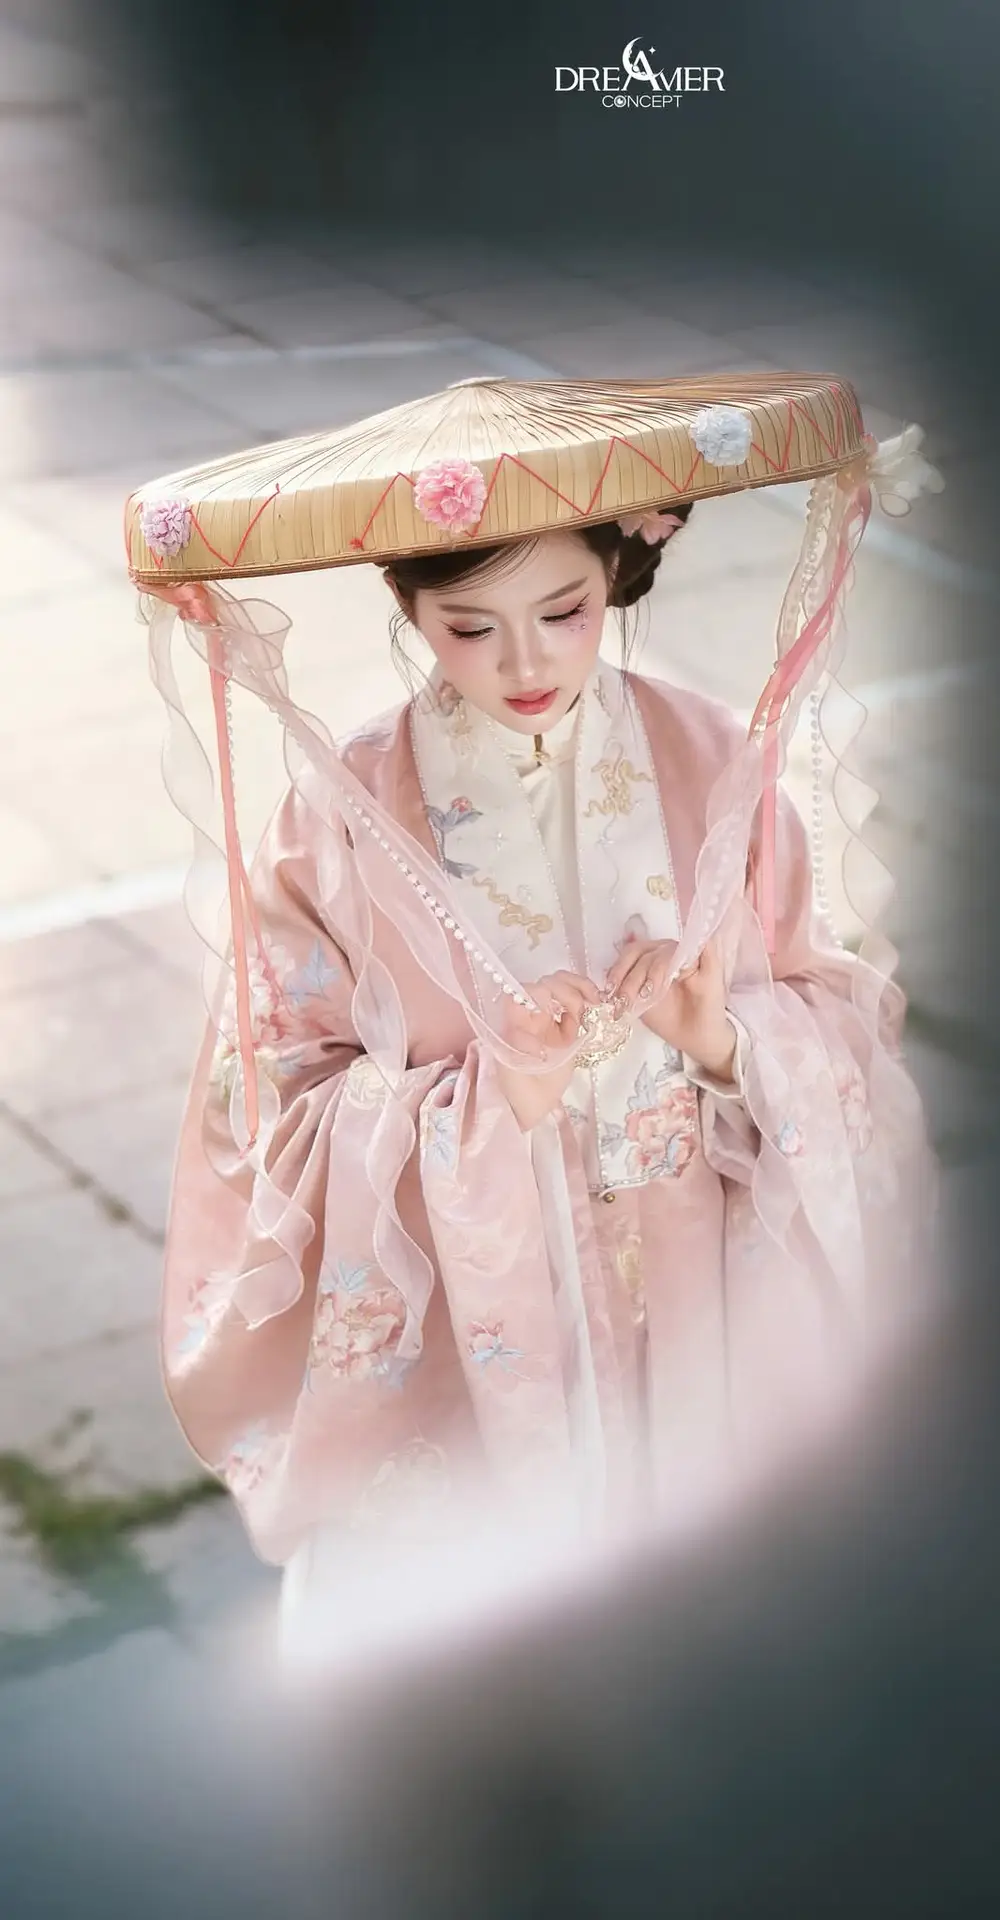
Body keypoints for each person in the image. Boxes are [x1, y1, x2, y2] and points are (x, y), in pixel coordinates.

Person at [132, 373, 940, 1661]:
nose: (525, 663)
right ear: (408, 606)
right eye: (468, 626)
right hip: (478, 1294)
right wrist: (493, 1097)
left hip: (694, 1269)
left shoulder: (715, 760)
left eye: (564, 612)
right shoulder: (336, 816)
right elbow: (269, 1102)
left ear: (619, 571)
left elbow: (833, 1008)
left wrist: (728, 1042)